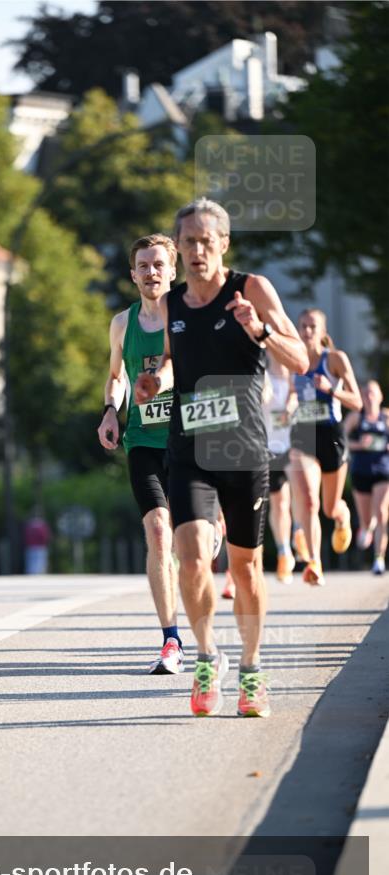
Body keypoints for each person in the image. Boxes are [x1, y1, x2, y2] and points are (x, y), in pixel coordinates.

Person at [135, 197, 309, 719]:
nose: (195, 251)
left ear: (223, 243)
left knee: (246, 566)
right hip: (189, 445)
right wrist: (154, 382)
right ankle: (208, 657)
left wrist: (259, 329)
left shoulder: (250, 289)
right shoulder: (174, 303)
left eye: (205, 241)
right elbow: (170, 361)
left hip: (243, 447)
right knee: (189, 556)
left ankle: (253, 670)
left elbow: (299, 358)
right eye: (187, 242)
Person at [97, 233, 185, 674]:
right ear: (133, 275)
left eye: (159, 265)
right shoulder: (122, 324)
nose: (152, 273)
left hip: (189, 441)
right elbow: (116, 376)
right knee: (157, 533)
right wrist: (111, 409)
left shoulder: (189, 319)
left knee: (191, 547)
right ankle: (170, 639)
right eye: (144, 266)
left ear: (173, 270)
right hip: (144, 442)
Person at [288, 309, 362, 586]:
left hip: (331, 434)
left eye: (312, 327)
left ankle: (342, 519)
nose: (307, 331)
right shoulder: (292, 362)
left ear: (322, 331)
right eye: (303, 326)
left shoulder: (335, 359)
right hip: (302, 433)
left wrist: (331, 389)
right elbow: (284, 395)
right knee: (308, 499)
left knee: (330, 508)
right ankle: (314, 562)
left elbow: (357, 402)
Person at [345, 380, 389, 575]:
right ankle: (366, 528)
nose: (369, 397)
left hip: (383, 471)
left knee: (381, 512)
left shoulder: (386, 417)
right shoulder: (356, 417)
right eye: (365, 393)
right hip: (361, 471)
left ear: (380, 396)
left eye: (372, 393)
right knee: (366, 519)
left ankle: (378, 559)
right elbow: (342, 439)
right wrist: (358, 445)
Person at [264, 355, 299, 583]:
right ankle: (284, 551)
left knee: (302, 496)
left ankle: (300, 531)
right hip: (270, 447)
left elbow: (300, 398)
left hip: (295, 446)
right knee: (280, 503)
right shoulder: (262, 374)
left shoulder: (295, 376)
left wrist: (290, 405)